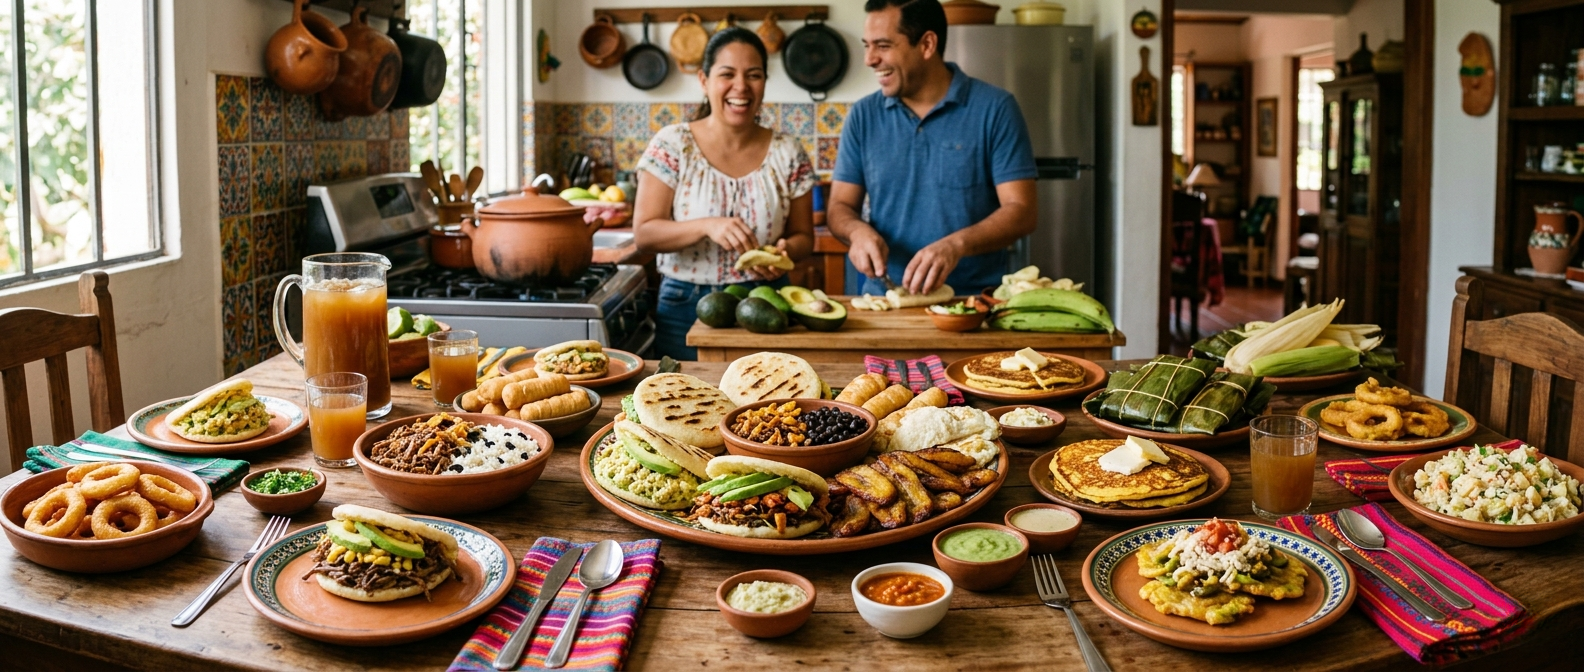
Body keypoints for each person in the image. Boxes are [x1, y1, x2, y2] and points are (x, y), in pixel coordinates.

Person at [828, 0, 1038, 297]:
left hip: (975, 302)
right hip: (887, 297)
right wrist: (856, 232)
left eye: (883, 45)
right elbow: (840, 207)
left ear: (927, 44)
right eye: (867, 45)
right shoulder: (863, 115)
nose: (869, 59)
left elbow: (1022, 211)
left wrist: (955, 245)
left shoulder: (995, 109)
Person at [633, 28, 816, 360]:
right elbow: (645, 234)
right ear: (704, 80)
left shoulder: (789, 151)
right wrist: (707, 226)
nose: (741, 86)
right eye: (727, 74)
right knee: (681, 405)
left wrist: (787, 251)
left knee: (768, 406)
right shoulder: (673, 144)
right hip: (685, 305)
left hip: (768, 301)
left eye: (754, 75)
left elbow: (805, 237)